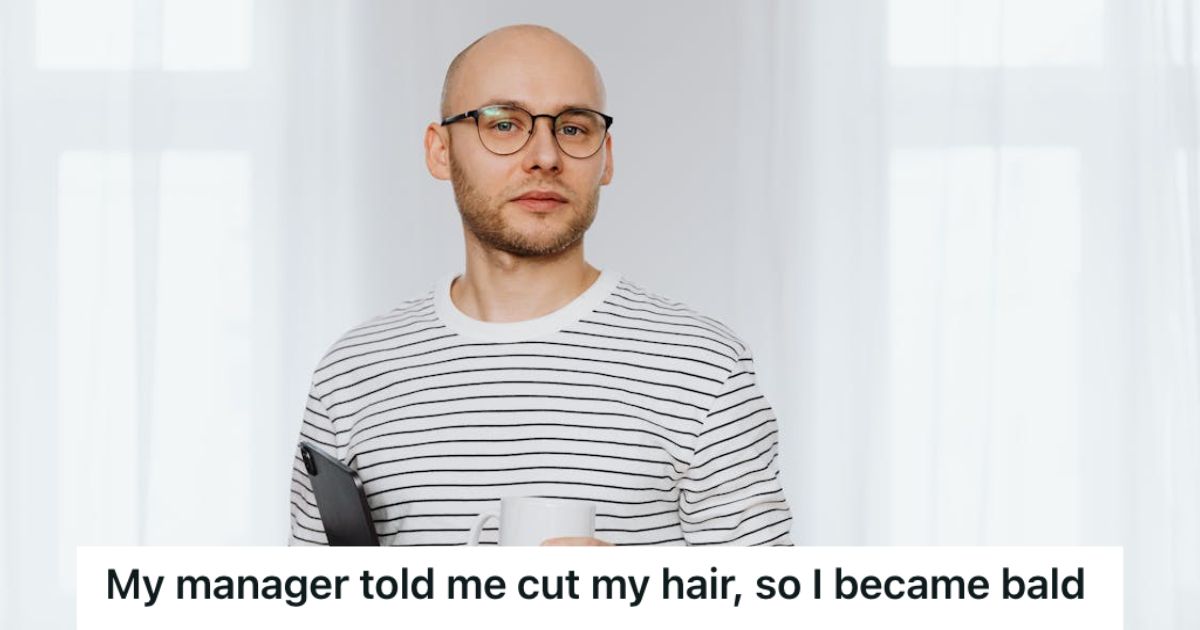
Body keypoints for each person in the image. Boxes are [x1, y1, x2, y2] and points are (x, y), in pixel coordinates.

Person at [288, 24, 793, 546]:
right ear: (440, 151)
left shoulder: (703, 368)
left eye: (574, 129)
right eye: (504, 125)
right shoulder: (351, 376)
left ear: (607, 157)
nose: (546, 157)